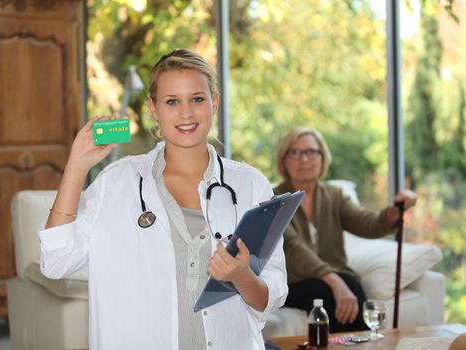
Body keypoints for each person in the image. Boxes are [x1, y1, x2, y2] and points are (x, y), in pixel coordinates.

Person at [39, 48, 287, 350]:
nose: (186, 113)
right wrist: (77, 166)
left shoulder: (251, 185)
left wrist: (242, 276)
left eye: (197, 99)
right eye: (172, 101)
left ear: (215, 102)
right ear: (153, 109)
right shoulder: (117, 182)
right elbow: (55, 262)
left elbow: (270, 295)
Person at [274, 127, 417, 332]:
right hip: (292, 283)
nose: (304, 159)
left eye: (311, 152)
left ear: (323, 158)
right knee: (325, 291)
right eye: (295, 152)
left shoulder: (334, 195)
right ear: (284, 160)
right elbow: (293, 247)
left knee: (349, 282)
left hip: (333, 278)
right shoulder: (275, 199)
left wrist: (395, 210)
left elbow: (367, 222)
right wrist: (335, 281)